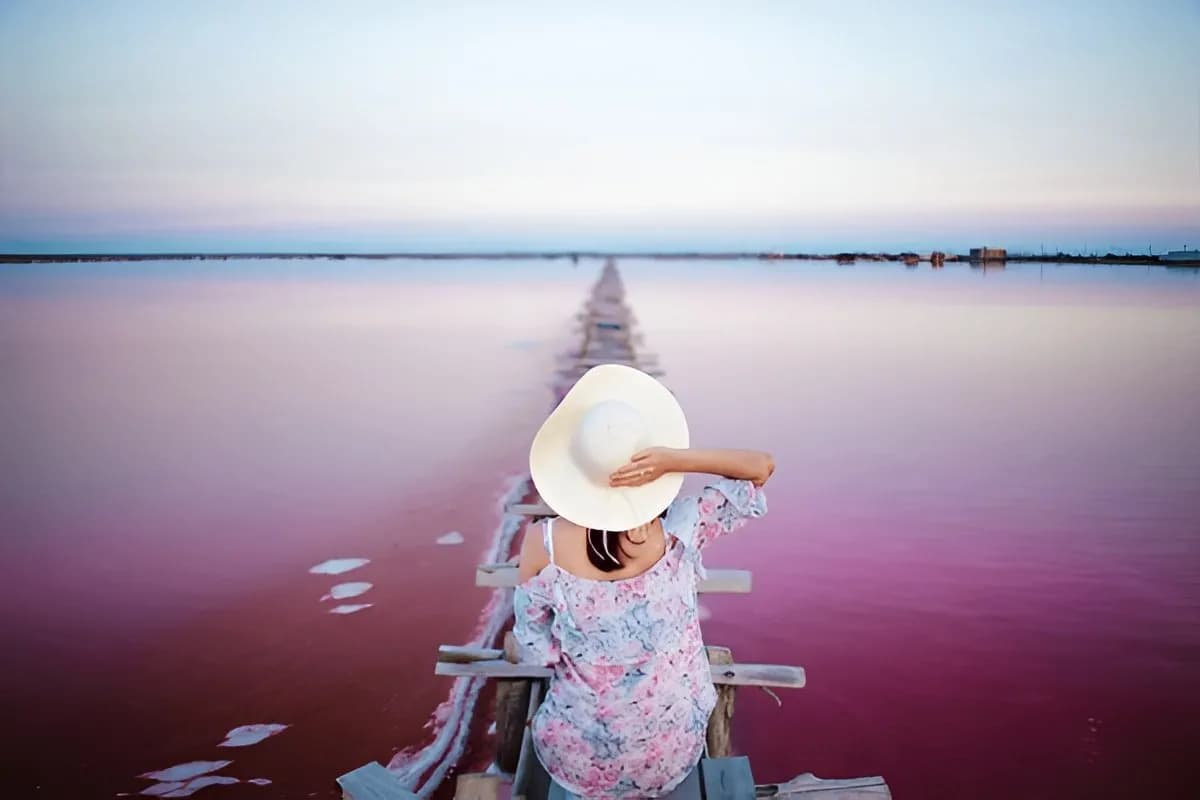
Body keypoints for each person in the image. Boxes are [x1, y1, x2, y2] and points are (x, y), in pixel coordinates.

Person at [514, 364, 775, 799]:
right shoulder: (682, 528)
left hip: (582, 752)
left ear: (575, 466)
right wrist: (676, 459)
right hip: (669, 747)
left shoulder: (542, 544)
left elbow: (537, 650)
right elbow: (760, 468)